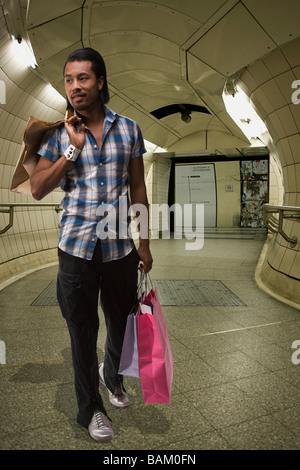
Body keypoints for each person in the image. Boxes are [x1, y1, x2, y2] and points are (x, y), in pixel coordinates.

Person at [30, 47, 153, 442]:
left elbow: (137, 187)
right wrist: (72, 148)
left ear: (100, 82)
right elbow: (37, 187)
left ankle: (112, 374)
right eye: (68, 80)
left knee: (122, 325)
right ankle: (91, 409)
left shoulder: (130, 129)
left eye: (82, 78)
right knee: (82, 331)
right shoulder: (57, 133)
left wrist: (144, 242)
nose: (74, 87)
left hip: (120, 248)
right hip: (77, 250)